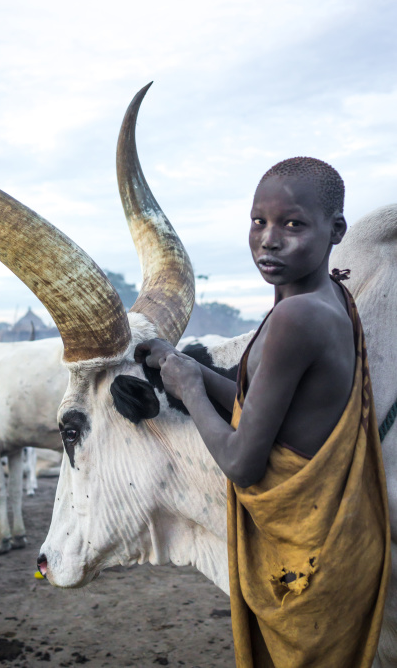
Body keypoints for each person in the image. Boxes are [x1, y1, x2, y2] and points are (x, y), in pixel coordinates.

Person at [135, 157, 390, 668]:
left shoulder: (296, 317)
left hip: (306, 563)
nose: (269, 239)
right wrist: (180, 362)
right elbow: (260, 411)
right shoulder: (328, 297)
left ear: (336, 230)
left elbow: (243, 461)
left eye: (292, 224)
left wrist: (187, 389)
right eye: (259, 221)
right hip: (340, 551)